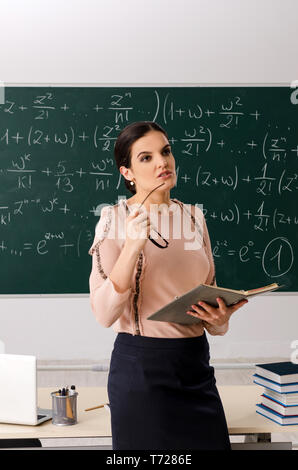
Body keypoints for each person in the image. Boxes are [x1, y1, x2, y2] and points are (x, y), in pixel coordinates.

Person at [88, 121, 248, 450]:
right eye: (146, 158)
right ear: (127, 172)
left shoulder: (193, 217)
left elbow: (209, 292)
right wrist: (132, 246)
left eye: (166, 151)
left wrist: (219, 320)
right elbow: (104, 314)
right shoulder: (113, 219)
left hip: (195, 368)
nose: (163, 162)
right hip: (142, 373)